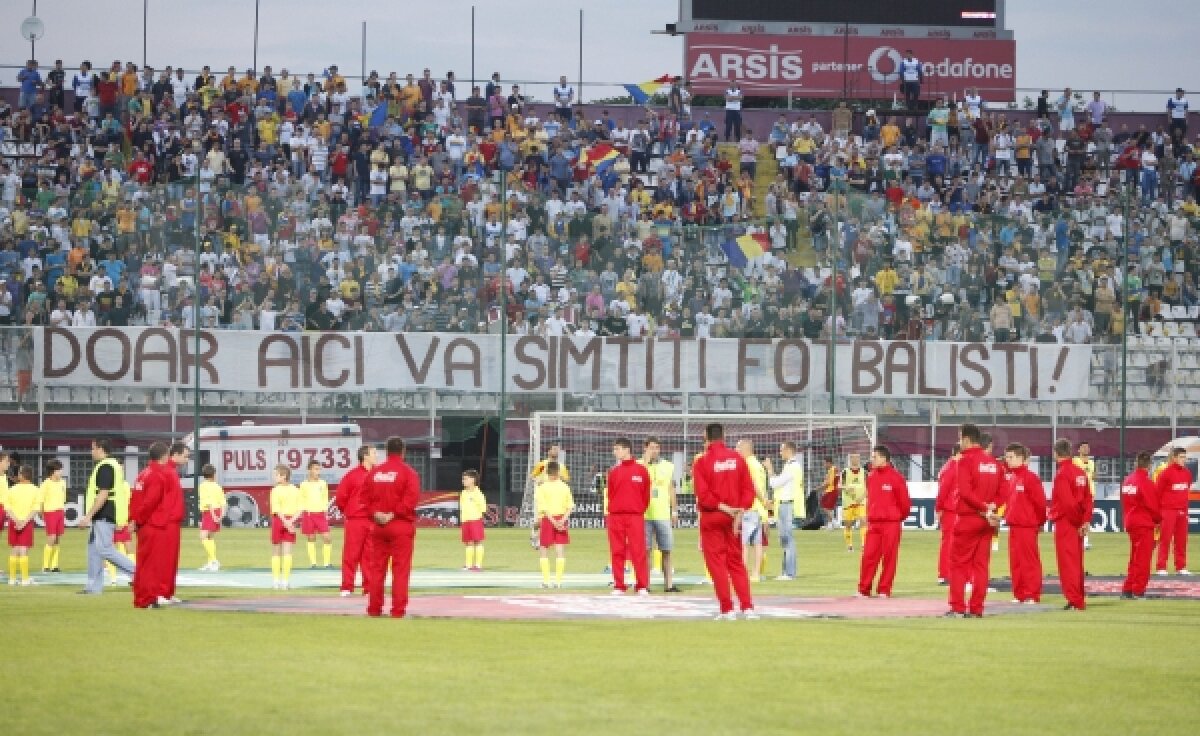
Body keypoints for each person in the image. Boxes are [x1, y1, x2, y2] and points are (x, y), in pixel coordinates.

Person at [693, 423, 757, 620]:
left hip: (713, 517)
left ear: (706, 437)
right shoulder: (737, 459)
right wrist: (739, 511)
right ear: (724, 435)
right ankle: (747, 607)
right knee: (736, 562)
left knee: (717, 564)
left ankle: (727, 609)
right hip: (734, 519)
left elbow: (703, 495)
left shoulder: (702, 462)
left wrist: (725, 508)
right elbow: (749, 490)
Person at [946, 424, 1004, 618]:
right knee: (981, 566)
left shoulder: (965, 461)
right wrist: (992, 507)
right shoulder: (994, 463)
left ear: (966, 439)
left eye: (960, 438)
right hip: (986, 522)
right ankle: (977, 608)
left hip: (969, 517)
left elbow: (965, 492)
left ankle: (957, 607)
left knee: (959, 564)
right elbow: (1004, 491)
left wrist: (983, 508)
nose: (959, 442)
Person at [363, 436, 420, 618]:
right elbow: (410, 500)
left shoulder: (374, 473)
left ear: (386, 451)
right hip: (400, 525)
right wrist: (393, 514)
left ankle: (374, 608)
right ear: (403, 451)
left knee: (377, 569)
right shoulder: (409, 473)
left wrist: (375, 513)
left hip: (378, 527)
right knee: (400, 570)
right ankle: (397, 610)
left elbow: (364, 499)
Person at [79, 439, 136, 595]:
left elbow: (103, 494)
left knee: (104, 549)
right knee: (94, 551)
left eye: (93, 448)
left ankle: (138, 574)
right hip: (103, 514)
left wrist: (88, 516)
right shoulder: (111, 465)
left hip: (104, 514)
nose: (91, 451)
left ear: (101, 449)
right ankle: (93, 588)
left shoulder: (105, 467)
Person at [857, 446, 911, 598]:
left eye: (874, 457)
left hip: (891, 524)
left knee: (889, 557)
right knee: (868, 556)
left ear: (883, 458)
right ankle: (864, 589)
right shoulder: (871, 477)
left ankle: (884, 589)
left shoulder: (897, 478)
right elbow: (871, 500)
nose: (872, 460)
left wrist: (896, 517)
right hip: (874, 524)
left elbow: (905, 504)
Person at [1050, 439, 1092, 611]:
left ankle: (1075, 600)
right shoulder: (1080, 472)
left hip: (1067, 522)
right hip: (1078, 522)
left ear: (1056, 453)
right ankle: (1078, 596)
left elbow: (1067, 503)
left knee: (1067, 563)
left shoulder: (1062, 474)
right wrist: (1085, 521)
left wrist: (1078, 522)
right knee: (1076, 561)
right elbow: (1088, 499)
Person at [606, 438, 651, 595]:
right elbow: (611, 494)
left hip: (635, 516)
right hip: (616, 516)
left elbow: (646, 495)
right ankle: (619, 585)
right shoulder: (613, 472)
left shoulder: (641, 470)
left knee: (638, 551)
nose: (615, 452)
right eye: (614, 449)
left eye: (617, 449)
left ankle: (642, 585)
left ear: (627, 450)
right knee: (617, 551)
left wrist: (638, 509)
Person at [1003, 444, 1047, 604]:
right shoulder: (1011, 478)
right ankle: (1019, 593)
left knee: (1029, 561)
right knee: (1016, 562)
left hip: (1027, 526)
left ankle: (1032, 594)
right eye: (1007, 457)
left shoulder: (1031, 478)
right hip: (1014, 526)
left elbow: (1040, 503)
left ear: (1021, 458)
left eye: (1011, 457)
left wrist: (1040, 522)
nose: (1008, 460)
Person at [128, 442, 171, 608]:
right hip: (152, 524)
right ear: (164, 456)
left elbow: (134, 500)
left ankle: (142, 597)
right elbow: (150, 503)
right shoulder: (156, 476)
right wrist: (138, 519)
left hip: (144, 525)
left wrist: (133, 519)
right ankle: (148, 598)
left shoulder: (143, 474)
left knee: (144, 562)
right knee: (152, 565)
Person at [334, 446, 377, 596]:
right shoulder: (352, 476)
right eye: (373, 453)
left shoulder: (378, 474)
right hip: (356, 520)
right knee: (351, 554)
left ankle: (369, 588)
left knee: (370, 555)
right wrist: (349, 511)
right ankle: (347, 586)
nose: (376, 456)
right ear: (365, 456)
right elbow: (341, 497)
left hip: (373, 520)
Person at [642, 437, 680, 592]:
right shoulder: (639, 465)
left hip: (663, 514)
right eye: (651, 447)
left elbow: (671, 489)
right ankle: (645, 585)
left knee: (666, 550)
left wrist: (674, 510)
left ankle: (669, 585)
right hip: (644, 514)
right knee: (645, 551)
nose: (654, 451)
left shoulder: (668, 466)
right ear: (645, 448)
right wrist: (646, 462)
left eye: (657, 448)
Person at [1121, 452, 1161, 599]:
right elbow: (1153, 506)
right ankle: (1138, 590)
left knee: (1134, 558)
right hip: (1144, 523)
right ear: (1149, 465)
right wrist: (1158, 520)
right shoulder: (1146, 482)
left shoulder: (1128, 480)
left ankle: (1128, 588)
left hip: (1131, 521)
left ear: (1136, 463)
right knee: (1143, 559)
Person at [764, 441, 804, 580]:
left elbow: (775, 483)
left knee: (787, 538)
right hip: (784, 504)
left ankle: (789, 573)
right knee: (785, 539)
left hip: (787, 505)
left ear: (788, 450)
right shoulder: (791, 465)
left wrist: (770, 470)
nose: (780, 453)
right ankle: (786, 571)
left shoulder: (792, 466)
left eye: (781, 450)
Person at [155, 443, 189, 604]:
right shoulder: (166, 471)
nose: (187, 459)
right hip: (167, 521)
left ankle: (168, 592)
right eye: (185, 456)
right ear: (174, 454)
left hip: (173, 521)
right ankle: (161, 592)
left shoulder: (172, 471)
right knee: (165, 558)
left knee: (172, 558)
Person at [1155, 446, 1194, 576]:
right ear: (1174, 458)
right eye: (1181, 457)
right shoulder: (1165, 473)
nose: (1184, 460)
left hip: (1182, 511)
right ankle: (1161, 567)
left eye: (1185, 457)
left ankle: (1181, 567)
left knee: (1181, 540)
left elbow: (1186, 490)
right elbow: (1157, 493)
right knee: (1165, 539)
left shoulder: (1187, 473)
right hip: (1167, 511)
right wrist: (1158, 513)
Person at [534, 462, 574, 588]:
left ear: (547, 472)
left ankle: (546, 581)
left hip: (548, 519)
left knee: (544, 549)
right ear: (558, 472)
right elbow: (570, 507)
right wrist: (562, 520)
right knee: (560, 549)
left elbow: (544, 508)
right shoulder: (565, 487)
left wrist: (553, 521)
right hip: (561, 518)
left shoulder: (542, 487)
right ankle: (558, 581)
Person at [736, 439, 768, 583]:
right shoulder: (758, 465)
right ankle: (756, 574)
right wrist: (764, 503)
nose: (736, 451)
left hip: (749, 507)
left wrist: (763, 500)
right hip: (759, 510)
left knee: (743, 544)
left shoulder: (747, 464)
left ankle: (742, 573)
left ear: (745, 449)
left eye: (738, 448)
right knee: (757, 543)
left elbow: (753, 485)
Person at [269, 465, 302, 590]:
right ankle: (285, 581)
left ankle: (276, 581)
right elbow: (300, 509)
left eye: (276, 475)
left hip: (279, 520)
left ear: (284, 476)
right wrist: (290, 522)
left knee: (276, 551)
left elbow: (277, 509)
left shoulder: (275, 490)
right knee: (288, 552)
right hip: (290, 520)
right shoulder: (296, 490)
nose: (274, 477)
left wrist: (285, 522)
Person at [6, 465, 39, 586]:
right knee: (24, 548)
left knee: (15, 548)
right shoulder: (35, 490)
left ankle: (12, 579)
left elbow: (7, 508)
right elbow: (35, 509)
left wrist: (16, 521)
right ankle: (25, 579)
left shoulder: (12, 490)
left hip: (13, 522)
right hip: (27, 522)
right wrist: (24, 522)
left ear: (21, 475)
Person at [299, 460, 334, 569]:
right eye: (315, 469)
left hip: (320, 514)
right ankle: (313, 563)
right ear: (309, 470)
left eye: (319, 469)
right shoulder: (304, 484)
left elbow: (325, 498)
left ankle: (327, 563)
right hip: (309, 514)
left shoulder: (323, 483)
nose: (318, 471)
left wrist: (325, 510)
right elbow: (301, 499)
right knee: (311, 538)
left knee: (327, 537)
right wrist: (304, 510)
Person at [935, 445, 961, 585]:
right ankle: (944, 574)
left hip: (954, 510)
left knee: (953, 543)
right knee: (948, 543)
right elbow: (943, 491)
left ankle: (950, 573)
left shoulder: (953, 467)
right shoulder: (950, 469)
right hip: (950, 511)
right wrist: (939, 509)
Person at [40, 459, 67, 573]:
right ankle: (45, 566)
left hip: (60, 511)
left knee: (57, 539)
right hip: (50, 512)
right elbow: (41, 500)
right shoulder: (45, 484)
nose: (61, 472)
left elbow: (63, 498)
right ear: (52, 471)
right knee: (51, 537)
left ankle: (54, 565)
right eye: (59, 470)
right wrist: (42, 513)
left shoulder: (63, 483)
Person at [197, 463, 225, 571]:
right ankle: (210, 562)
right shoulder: (217, 486)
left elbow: (208, 502)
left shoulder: (203, 486)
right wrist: (221, 516)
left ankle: (214, 560)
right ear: (214, 474)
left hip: (209, 512)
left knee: (203, 536)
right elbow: (223, 502)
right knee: (210, 537)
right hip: (216, 511)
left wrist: (213, 515)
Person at [459, 469, 487, 571]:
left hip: (475, 520)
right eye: (463, 479)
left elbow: (483, 508)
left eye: (466, 479)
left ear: (473, 480)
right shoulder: (463, 493)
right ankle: (468, 564)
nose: (463, 481)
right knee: (468, 542)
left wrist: (478, 518)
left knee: (478, 542)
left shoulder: (478, 493)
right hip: (465, 520)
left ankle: (478, 565)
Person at [841, 453, 868, 552]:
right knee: (848, 524)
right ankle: (849, 545)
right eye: (853, 457)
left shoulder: (864, 472)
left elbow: (868, 487)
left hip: (861, 502)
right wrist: (846, 488)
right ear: (850, 459)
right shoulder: (845, 472)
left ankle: (864, 545)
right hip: (848, 502)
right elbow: (840, 485)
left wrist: (862, 497)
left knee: (863, 521)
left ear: (859, 459)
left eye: (857, 457)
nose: (855, 459)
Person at [1074, 442, 1097, 550]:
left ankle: (1085, 541)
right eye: (1083, 447)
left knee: (1087, 518)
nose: (1086, 449)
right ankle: (1078, 540)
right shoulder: (1075, 461)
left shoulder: (1092, 463)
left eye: (1087, 447)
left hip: (1090, 493)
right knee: (1078, 517)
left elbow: (1094, 476)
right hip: (1078, 493)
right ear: (1078, 450)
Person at [819, 457, 839, 530]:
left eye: (825, 463)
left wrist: (819, 488)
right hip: (829, 491)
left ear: (829, 463)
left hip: (832, 491)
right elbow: (827, 481)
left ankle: (834, 522)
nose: (824, 465)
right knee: (828, 508)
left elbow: (828, 482)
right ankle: (830, 524)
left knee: (825, 506)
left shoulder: (833, 469)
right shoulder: (830, 470)